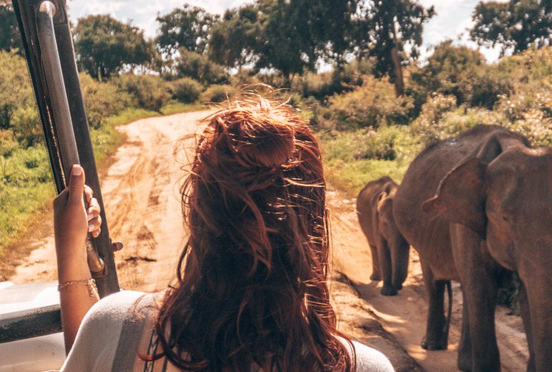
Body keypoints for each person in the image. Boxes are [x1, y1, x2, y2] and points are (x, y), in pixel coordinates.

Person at [55, 99, 395, 371]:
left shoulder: (115, 329)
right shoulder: (364, 366)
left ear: (196, 213)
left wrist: (71, 251)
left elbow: (91, 354)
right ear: (315, 226)